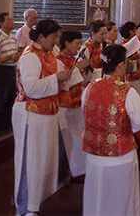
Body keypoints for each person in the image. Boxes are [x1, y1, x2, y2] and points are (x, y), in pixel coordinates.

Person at [82, 44, 140, 216]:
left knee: (96, 197)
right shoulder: (127, 91)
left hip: (94, 155)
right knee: (120, 199)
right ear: (120, 65)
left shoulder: (90, 88)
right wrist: (124, 129)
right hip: (120, 155)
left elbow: (85, 112)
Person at [13, 19, 71, 215]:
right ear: (41, 36)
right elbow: (31, 88)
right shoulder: (29, 57)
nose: (56, 41)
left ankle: (42, 201)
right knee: (33, 161)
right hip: (32, 113)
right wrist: (57, 79)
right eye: (54, 37)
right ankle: (29, 206)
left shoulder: (49, 54)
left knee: (47, 159)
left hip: (48, 114)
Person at [57, 31, 89, 178]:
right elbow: (63, 85)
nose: (79, 46)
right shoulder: (59, 61)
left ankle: (76, 171)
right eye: (76, 43)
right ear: (67, 43)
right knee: (67, 141)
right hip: (65, 107)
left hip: (76, 105)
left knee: (76, 140)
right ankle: (66, 174)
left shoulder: (71, 60)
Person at [0, 13, 20, 132]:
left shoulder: (13, 36)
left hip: (12, 70)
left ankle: (7, 128)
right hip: (1, 71)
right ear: (1, 23)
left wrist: (17, 56)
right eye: (9, 19)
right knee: (0, 100)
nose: (12, 21)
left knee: (11, 99)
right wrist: (11, 56)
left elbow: (15, 54)